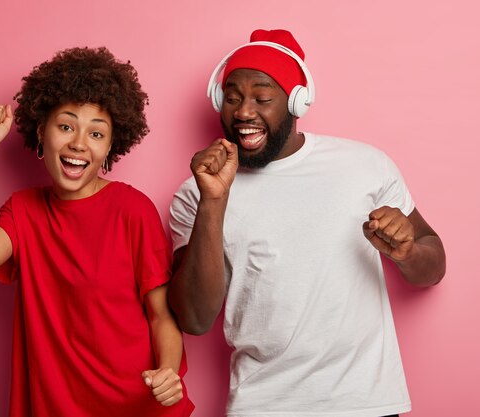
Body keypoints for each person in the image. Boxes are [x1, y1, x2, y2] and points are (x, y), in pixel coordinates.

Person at [168, 29, 446, 417]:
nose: (244, 112)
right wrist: (213, 201)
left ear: (298, 102)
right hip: (262, 406)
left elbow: (433, 270)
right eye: (232, 98)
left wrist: (408, 252)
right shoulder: (196, 191)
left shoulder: (364, 166)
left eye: (262, 98)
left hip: (365, 403)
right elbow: (193, 319)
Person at [0, 47, 194, 417]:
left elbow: (161, 314)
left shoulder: (132, 210)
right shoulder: (23, 211)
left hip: (135, 404)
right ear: (40, 131)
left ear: (111, 146)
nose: (79, 143)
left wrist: (167, 369)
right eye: (65, 126)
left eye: (96, 133)